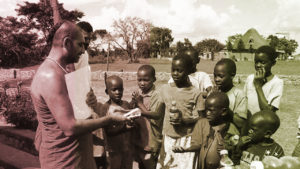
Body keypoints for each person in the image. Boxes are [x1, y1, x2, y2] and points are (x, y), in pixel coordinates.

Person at [30, 21, 129, 169]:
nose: (84, 50)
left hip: (77, 157)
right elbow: (69, 127)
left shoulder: (61, 70)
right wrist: (108, 119)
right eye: (80, 45)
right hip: (63, 161)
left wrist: (102, 108)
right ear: (67, 43)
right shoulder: (51, 75)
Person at [139, 54, 205, 169]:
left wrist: (184, 121)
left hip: (186, 139)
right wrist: (140, 108)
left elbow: (202, 120)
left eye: (179, 71)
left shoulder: (196, 93)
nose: (175, 74)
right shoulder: (165, 89)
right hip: (168, 139)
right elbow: (158, 114)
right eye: (173, 70)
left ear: (189, 71)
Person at [173, 92, 234, 169]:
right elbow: (197, 144)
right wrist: (185, 149)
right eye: (206, 110)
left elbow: (234, 154)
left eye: (211, 111)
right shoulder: (202, 123)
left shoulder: (230, 130)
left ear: (223, 112)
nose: (207, 113)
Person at [90, 75, 135, 169]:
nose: (118, 92)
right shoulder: (105, 108)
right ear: (107, 91)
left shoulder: (126, 104)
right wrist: (125, 128)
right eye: (114, 90)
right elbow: (108, 131)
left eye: (120, 89)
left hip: (127, 148)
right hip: (113, 150)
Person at [130, 65, 164, 169]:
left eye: (146, 80)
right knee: (141, 164)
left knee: (150, 165)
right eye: (139, 80)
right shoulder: (139, 93)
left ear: (154, 79)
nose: (142, 83)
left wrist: (140, 103)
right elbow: (132, 110)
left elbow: (155, 116)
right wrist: (133, 103)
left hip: (151, 139)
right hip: (139, 139)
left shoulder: (157, 95)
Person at [244, 45, 283, 114]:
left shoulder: (277, 82)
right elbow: (244, 101)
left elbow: (268, 111)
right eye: (256, 62)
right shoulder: (250, 78)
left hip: (265, 123)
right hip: (250, 122)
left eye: (263, 62)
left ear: (273, 63)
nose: (258, 65)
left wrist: (258, 86)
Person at [213, 58, 247, 136]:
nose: (216, 79)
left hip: (230, 137)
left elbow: (241, 123)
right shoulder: (213, 92)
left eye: (221, 76)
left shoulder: (239, 94)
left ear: (232, 75)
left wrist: (225, 109)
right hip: (214, 135)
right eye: (215, 76)